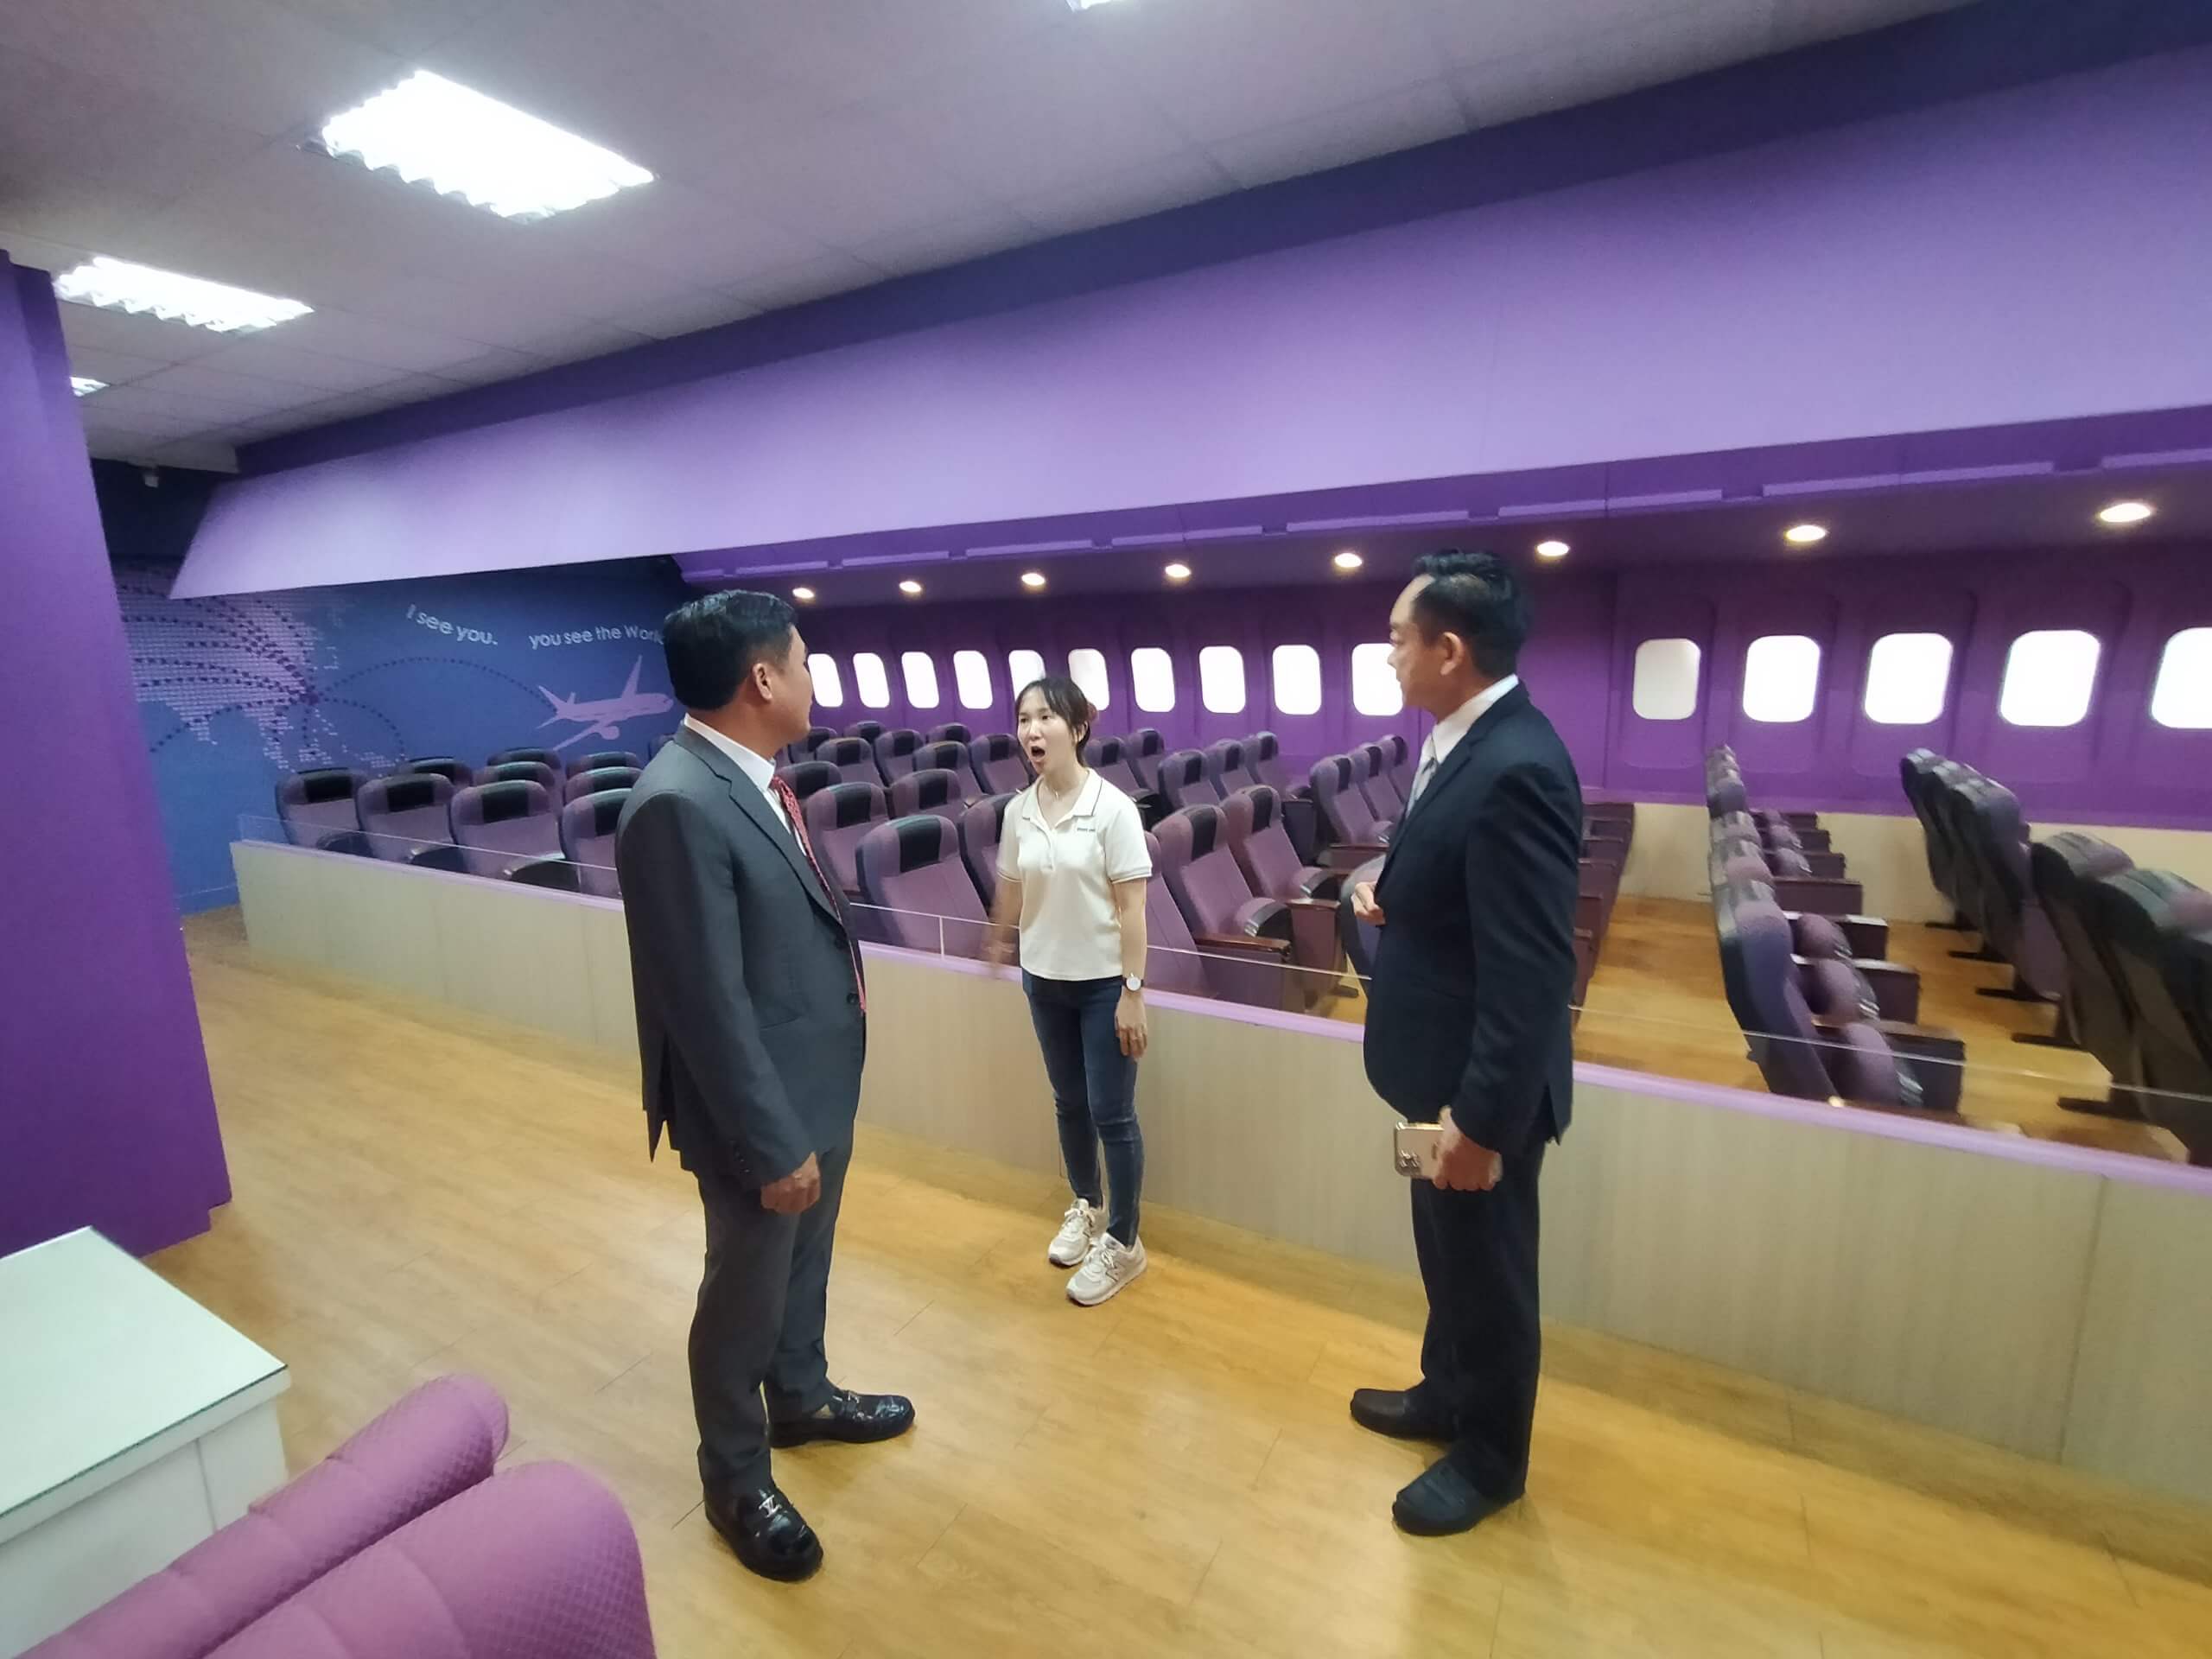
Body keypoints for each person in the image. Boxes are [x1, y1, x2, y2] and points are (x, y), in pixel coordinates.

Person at [615, 590, 912, 1584]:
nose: (814, 677)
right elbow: (702, 1002)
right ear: (762, 679)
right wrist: (773, 1140)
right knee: (742, 1293)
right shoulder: (677, 801)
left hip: (812, 1085)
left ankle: (801, 1395)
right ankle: (736, 1478)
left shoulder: (755, 781)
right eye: (805, 659)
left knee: (803, 1267)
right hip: (759, 1112)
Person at [1347, 549, 1582, 1537]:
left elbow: (1530, 974)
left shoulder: (1517, 766)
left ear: (1449, 650)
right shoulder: (1457, 742)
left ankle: (1490, 1460)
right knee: (1448, 1263)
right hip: (1432, 1071)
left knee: (1489, 1281)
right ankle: (1444, 1394)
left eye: (1398, 638)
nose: (1388, 654)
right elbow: (1459, 884)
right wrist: (1390, 890)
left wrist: (1481, 1123)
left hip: (1476, 1093)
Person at [984, 675, 1154, 1306]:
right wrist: (997, 941)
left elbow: (1133, 910)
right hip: (1043, 980)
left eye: (1046, 718)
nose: (1032, 731)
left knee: (1112, 1112)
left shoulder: (1114, 809)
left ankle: (1125, 1241)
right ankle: (1086, 1204)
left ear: (1078, 729)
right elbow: (1011, 887)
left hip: (1104, 985)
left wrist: (1133, 991)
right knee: (1069, 1103)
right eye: (1024, 719)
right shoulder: (1017, 812)